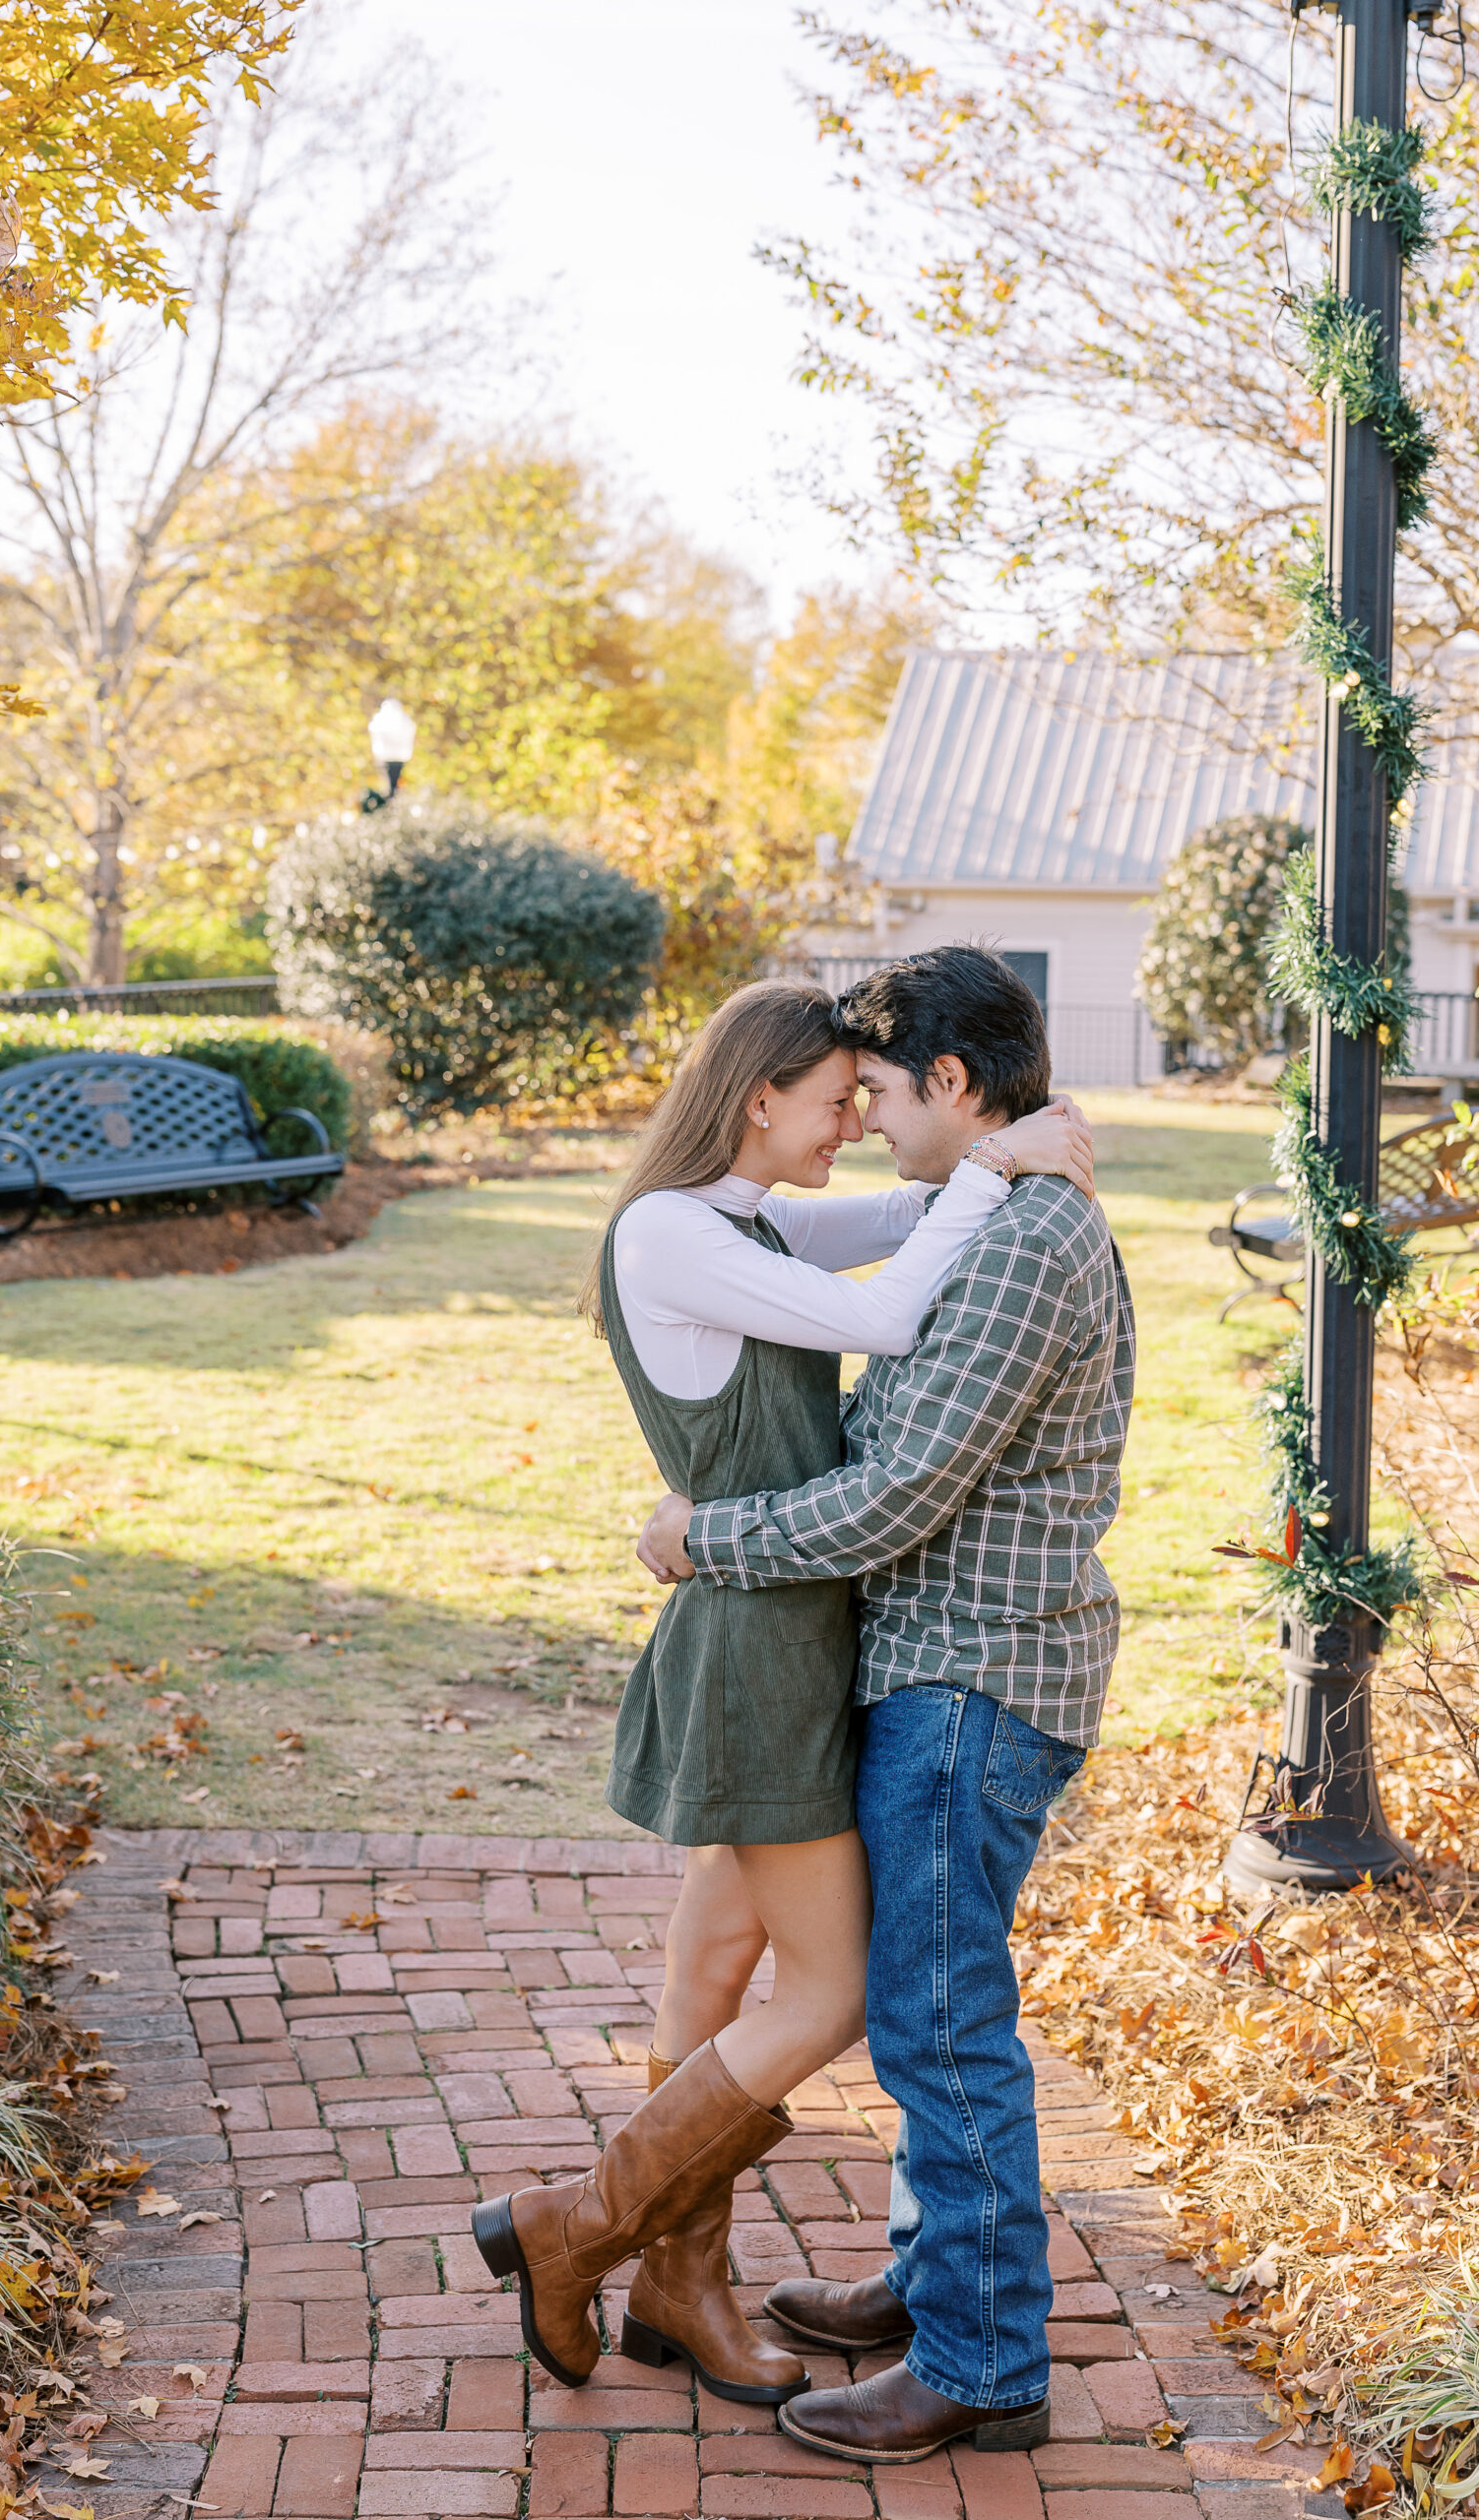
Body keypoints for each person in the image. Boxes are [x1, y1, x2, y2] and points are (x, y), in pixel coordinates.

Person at [471, 975, 1093, 2409]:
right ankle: (579, 2228)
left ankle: (679, 2281)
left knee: (710, 1969)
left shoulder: (741, 1217)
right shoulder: (673, 1233)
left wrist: (1010, 1144)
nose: (855, 1124)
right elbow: (873, 1313)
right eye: (836, 1100)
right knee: (820, 2000)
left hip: (780, 1627)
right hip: (763, 1641)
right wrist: (994, 1158)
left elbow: (894, 1221)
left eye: (875, 1097)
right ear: (761, 1098)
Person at [638, 945, 1135, 2467]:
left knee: (936, 2019)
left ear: (956, 1085)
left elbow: (897, 1495)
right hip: (953, 1669)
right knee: (928, 2000)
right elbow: (860, 1251)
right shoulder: (997, 1219)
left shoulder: (1025, 1249)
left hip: (975, 1681)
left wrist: (698, 1538)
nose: (870, 1118)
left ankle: (984, 2366)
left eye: (885, 1090)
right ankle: (937, 2288)